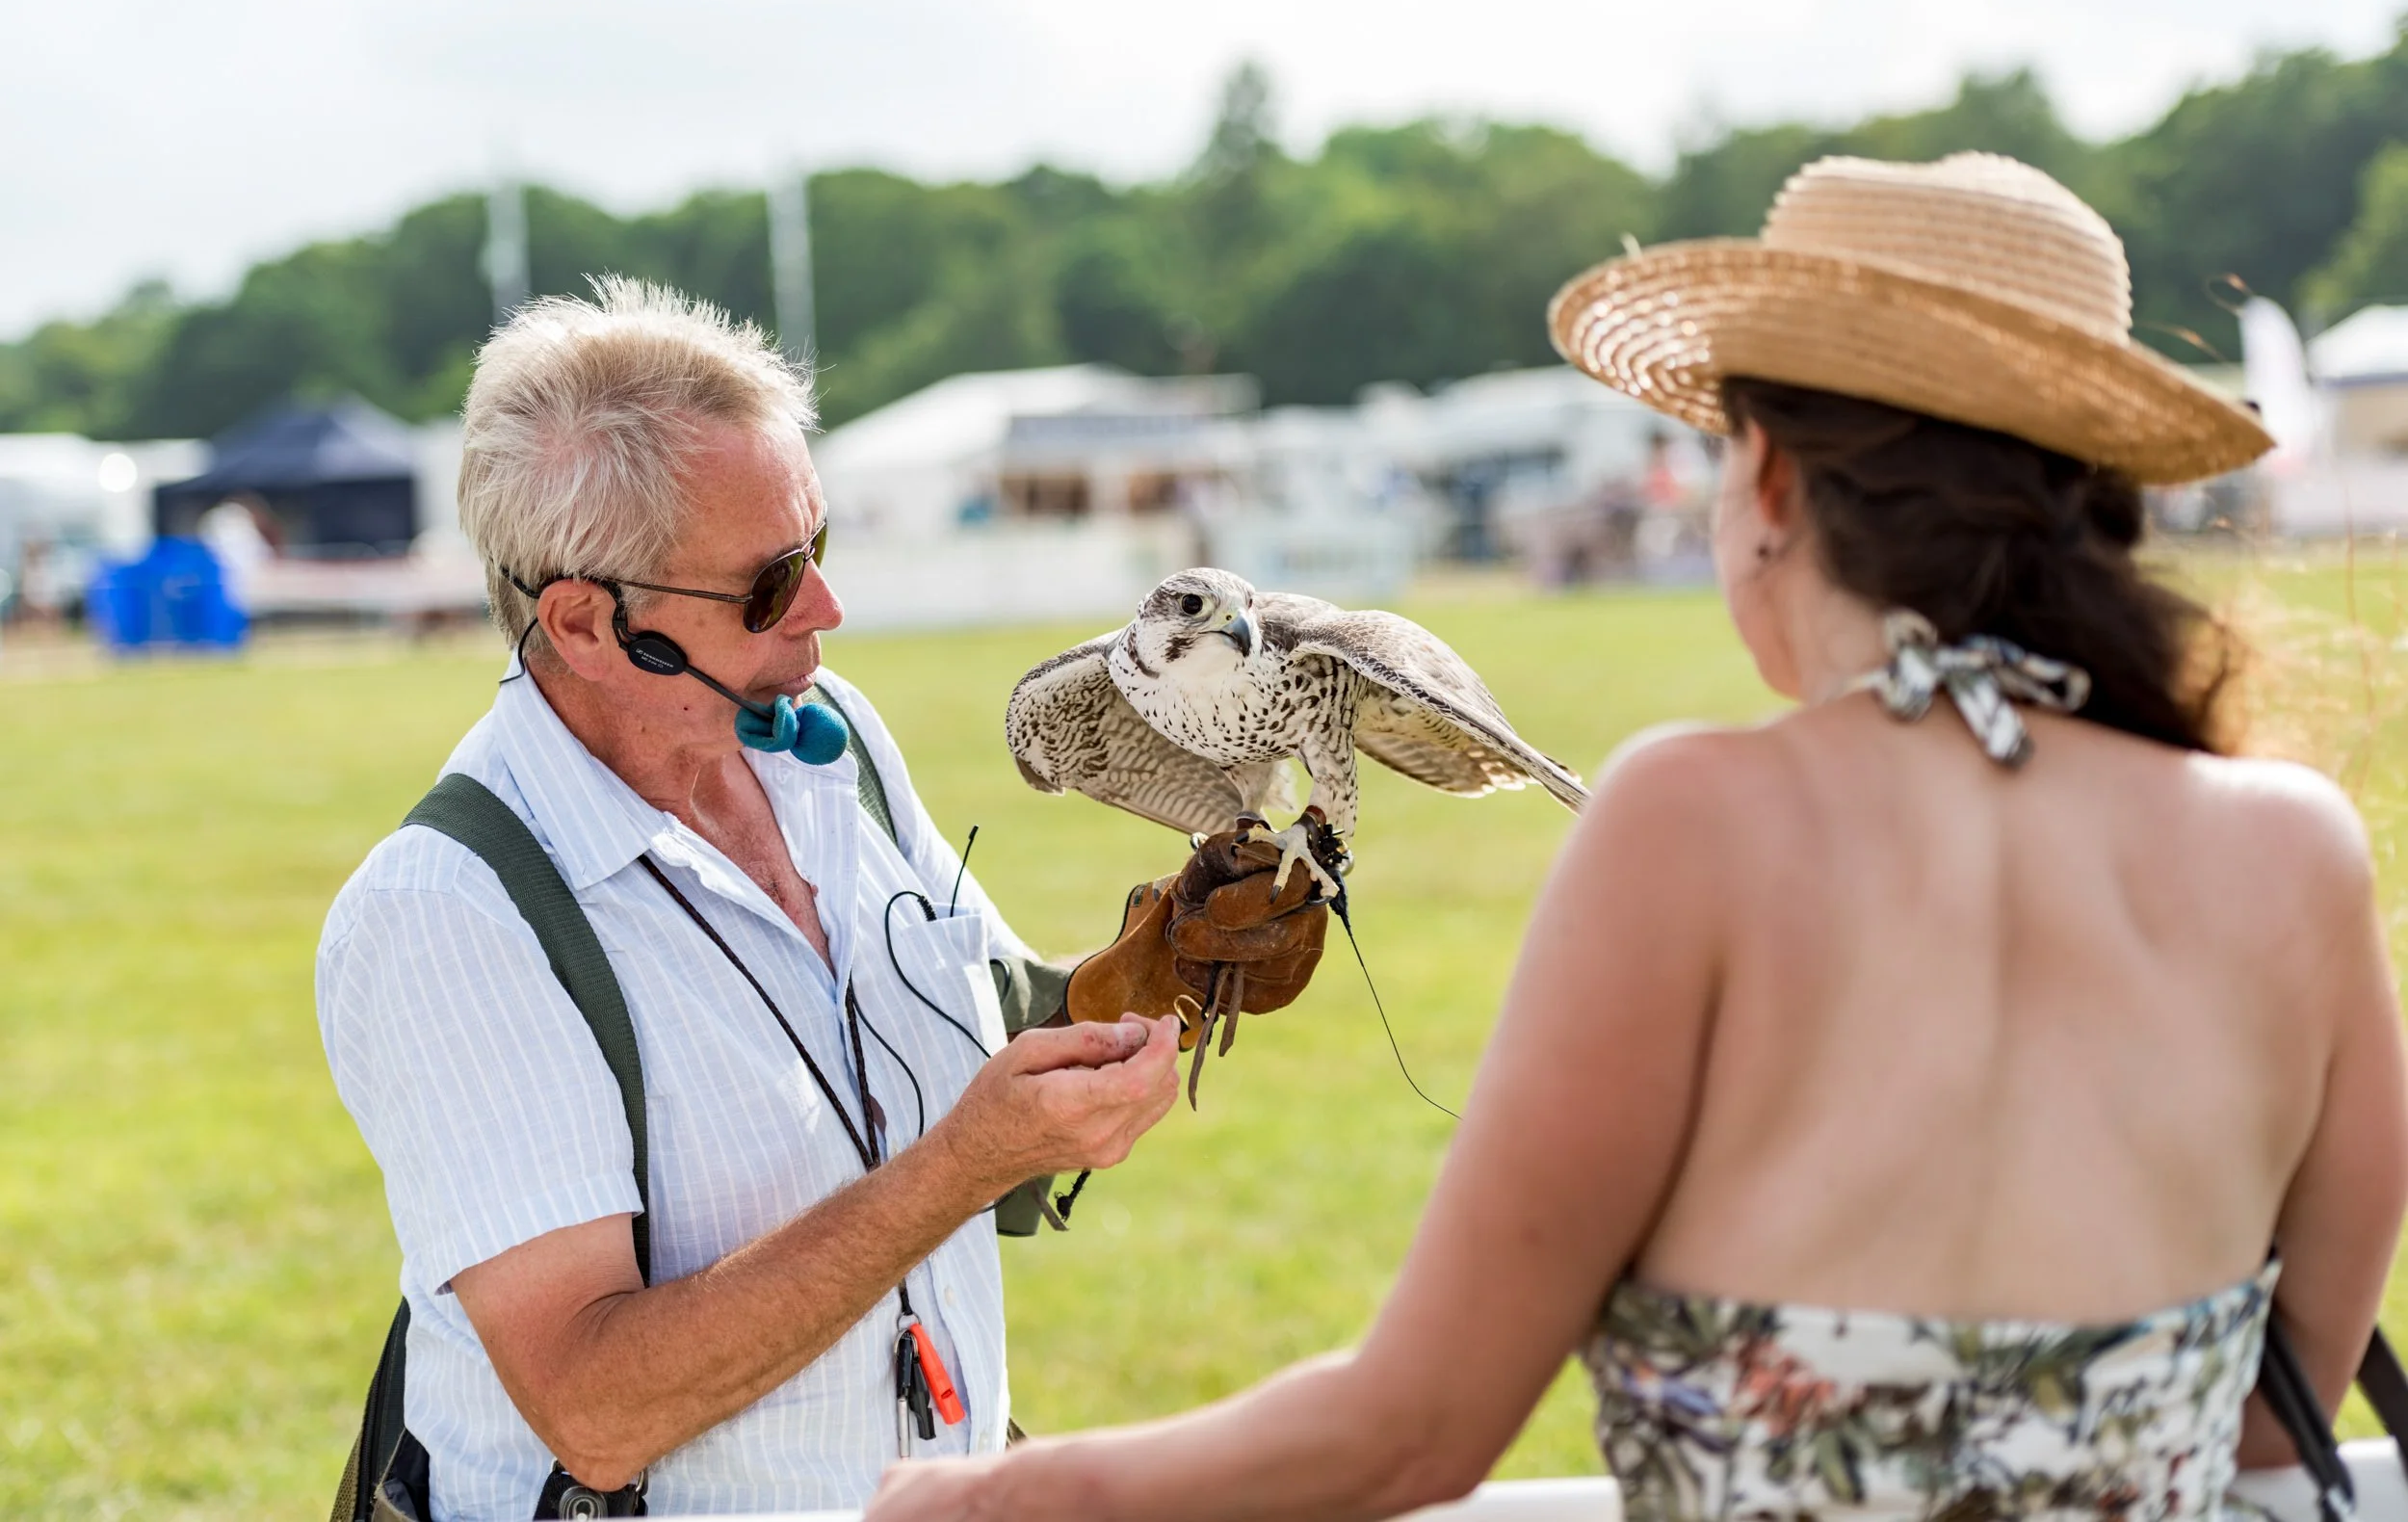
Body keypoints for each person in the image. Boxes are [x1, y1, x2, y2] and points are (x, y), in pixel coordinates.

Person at [868, 153, 2408, 1522]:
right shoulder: (2295, 852)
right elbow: (2276, 1450)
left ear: (1773, 482)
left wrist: (1023, 1491)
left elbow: (1416, 1428)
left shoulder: (1693, 820)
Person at [315, 278, 1326, 1520]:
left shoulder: (831, 742)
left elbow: (975, 1034)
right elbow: (593, 1408)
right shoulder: (449, 912)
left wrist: (1159, 965)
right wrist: (960, 1166)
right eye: (768, 581)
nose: (826, 610)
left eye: (821, 547)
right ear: (584, 623)